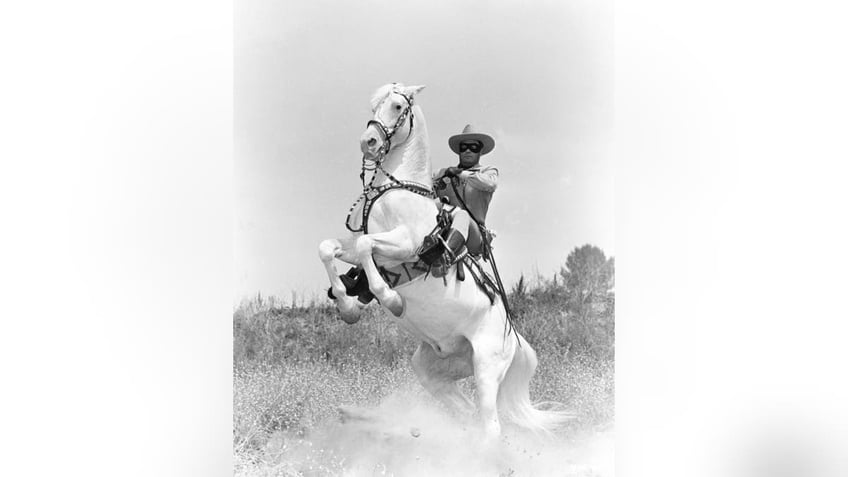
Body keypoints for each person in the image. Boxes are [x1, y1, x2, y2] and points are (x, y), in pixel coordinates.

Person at [431, 124, 499, 263]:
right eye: (464, 147)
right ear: (459, 151)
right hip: (443, 228)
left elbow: (490, 184)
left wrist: (461, 173)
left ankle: (445, 258)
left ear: (480, 151)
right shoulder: (441, 173)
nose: (468, 151)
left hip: (473, 235)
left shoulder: (488, 171)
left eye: (473, 148)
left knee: (463, 215)